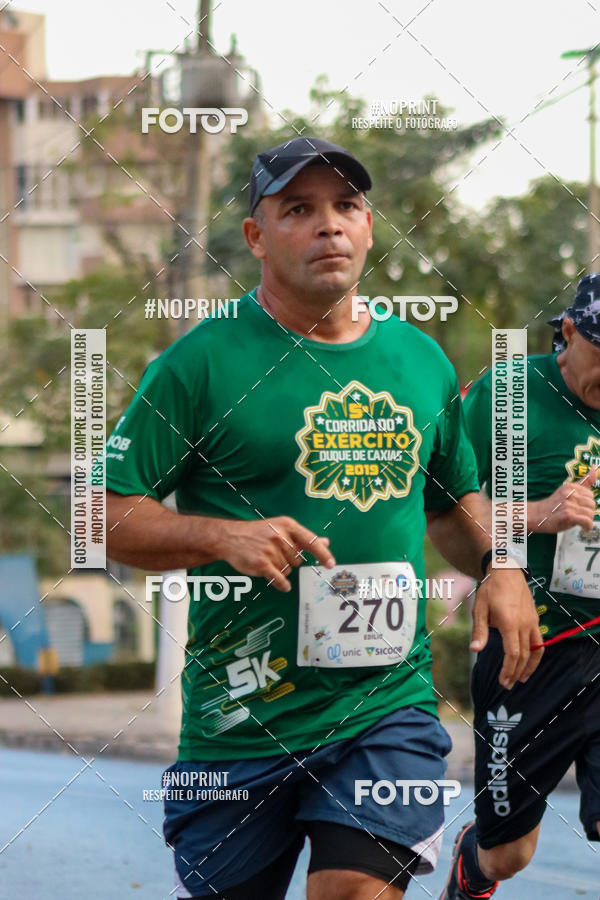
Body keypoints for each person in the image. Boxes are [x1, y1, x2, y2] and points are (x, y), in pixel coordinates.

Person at [104, 136, 541, 900]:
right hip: (240, 716)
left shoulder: (420, 361)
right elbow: (100, 516)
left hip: (383, 705)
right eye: (298, 210)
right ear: (257, 236)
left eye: (346, 207)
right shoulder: (200, 364)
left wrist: (501, 565)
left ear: (369, 226)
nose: (329, 226)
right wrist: (219, 535)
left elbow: (451, 502)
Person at [440, 274, 600, 899]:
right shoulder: (508, 394)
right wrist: (540, 514)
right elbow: (449, 508)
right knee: (507, 853)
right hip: (529, 653)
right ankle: (470, 868)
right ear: (567, 332)